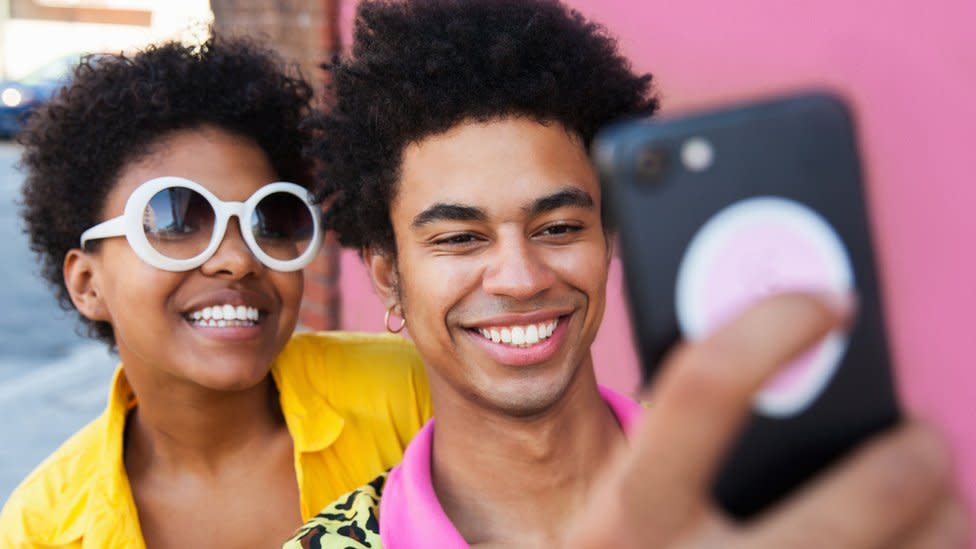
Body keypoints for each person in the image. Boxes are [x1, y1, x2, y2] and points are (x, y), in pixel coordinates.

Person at [286, 0, 966, 547]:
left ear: (610, 238)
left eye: (557, 228)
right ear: (386, 274)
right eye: (461, 238)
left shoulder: (772, 501)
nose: (521, 277)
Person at [0, 35, 432, 549]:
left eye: (271, 220)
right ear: (87, 284)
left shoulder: (410, 394)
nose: (238, 259)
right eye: (174, 219)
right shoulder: (41, 528)